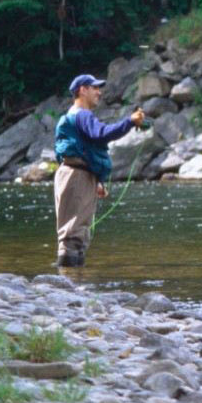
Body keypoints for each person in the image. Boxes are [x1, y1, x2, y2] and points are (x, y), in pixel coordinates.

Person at [52, 74, 144, 267]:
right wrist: (130, 122)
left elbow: (82, 148)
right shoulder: (82, 115)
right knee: (73, 233)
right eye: (94, 88)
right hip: (76, 176)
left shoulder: (71, 116)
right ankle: (66, 286)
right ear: (82, 90)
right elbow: (101, 134)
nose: (99, 92)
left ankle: (72, 281)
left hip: (75, 174)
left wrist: (97, 182)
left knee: (78, 231)